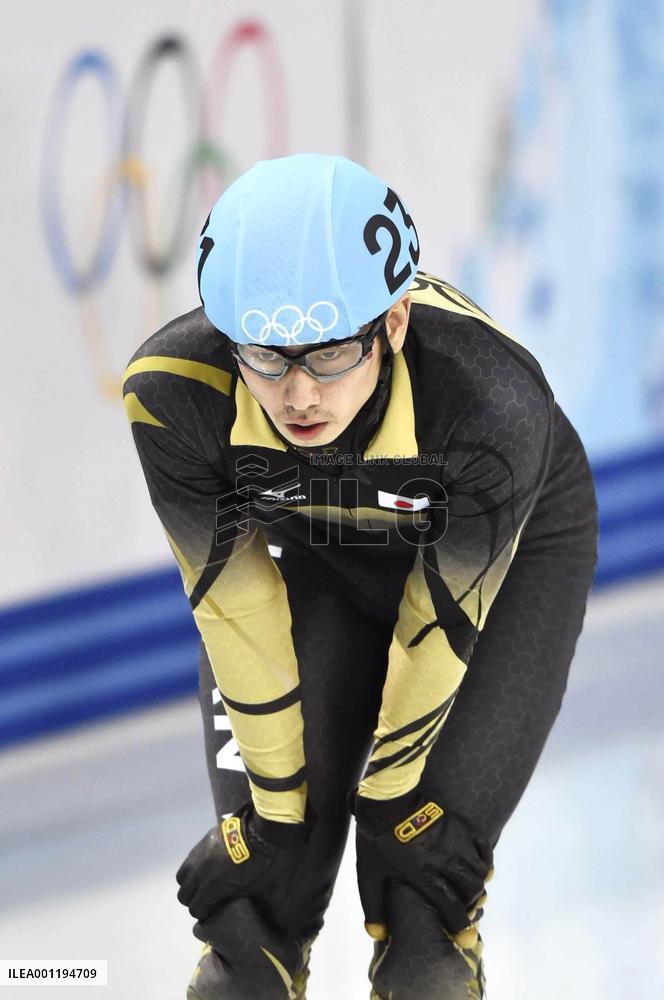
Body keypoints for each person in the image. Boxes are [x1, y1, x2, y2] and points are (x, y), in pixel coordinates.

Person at [123, 154, 597, 1000]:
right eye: (266, 356)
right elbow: (235, 607)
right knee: (250, 927)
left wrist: (389, 801)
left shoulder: (492, 397)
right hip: (319, 567)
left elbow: (440, 623)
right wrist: (271, 820)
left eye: (333, 352)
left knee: (422, 916)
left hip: (505, 570)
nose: (300, 394)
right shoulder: (174, 393)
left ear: (396, 321)